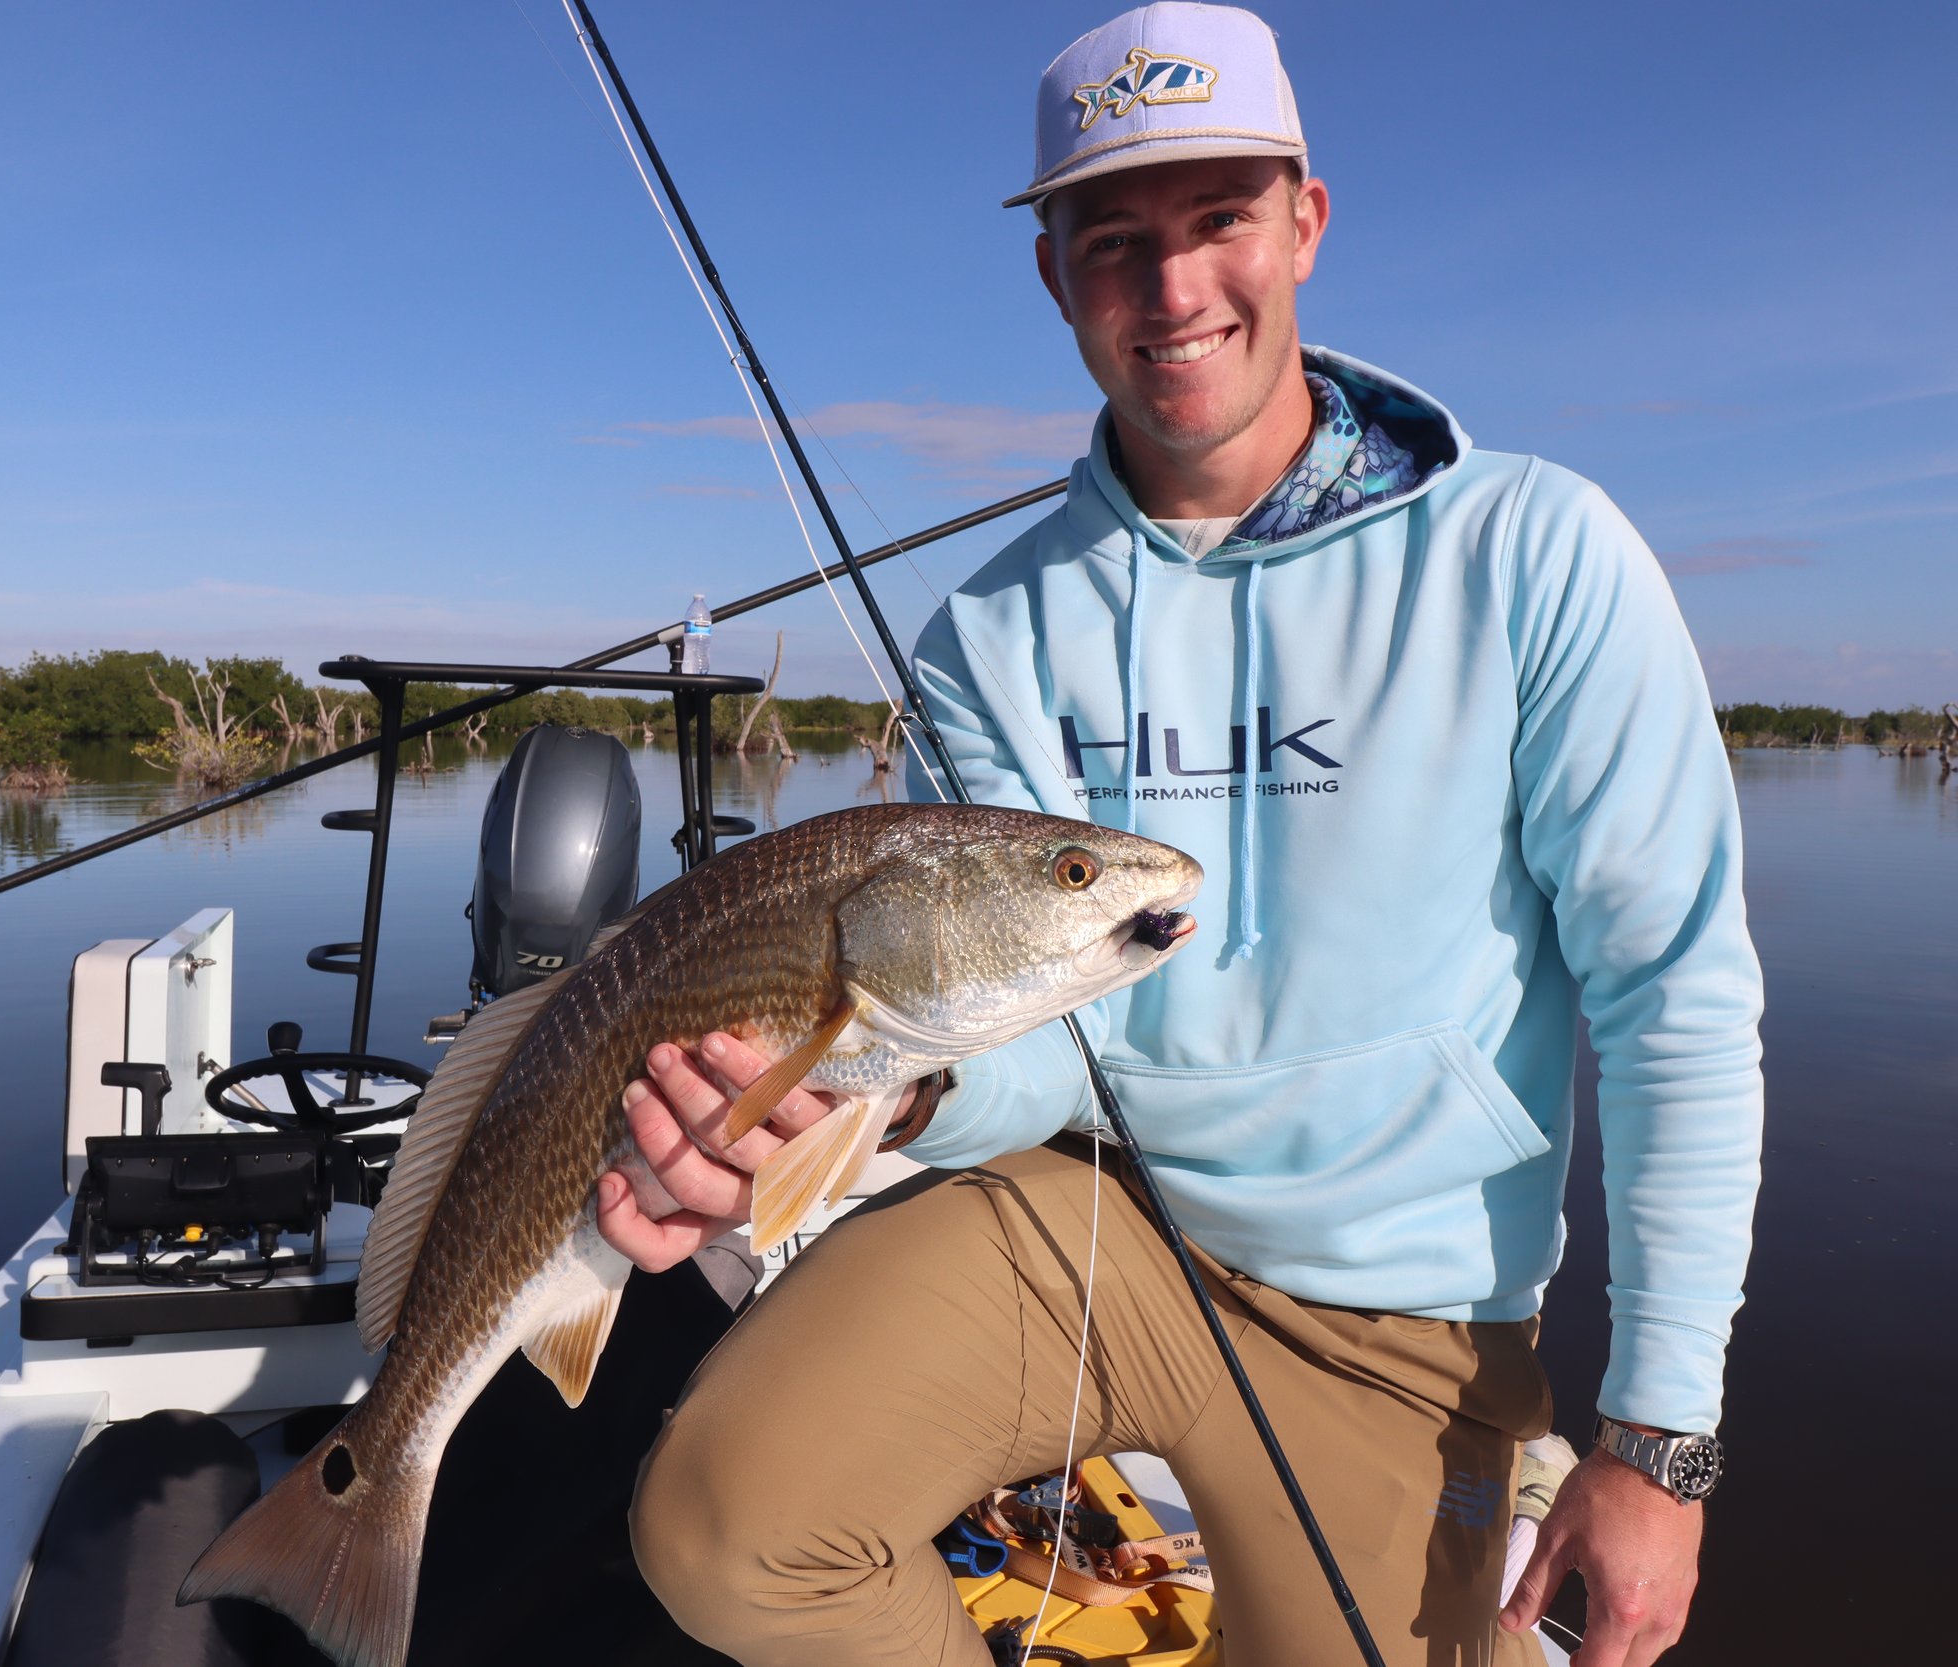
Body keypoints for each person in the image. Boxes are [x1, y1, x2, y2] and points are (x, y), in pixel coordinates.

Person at [596, 6, 1763, 1664]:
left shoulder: (1539, 551)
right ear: (1056, 274)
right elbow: (1042, 1056)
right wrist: (868, 1088)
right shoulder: (995, 630)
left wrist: (1658, 1443)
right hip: (1093, 1221)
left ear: (1307, 220)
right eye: (1114, 241)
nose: (1173, 291)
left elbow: (1676, 999)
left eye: (1218, 219)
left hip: (1405, 1329)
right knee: (725, 1522)